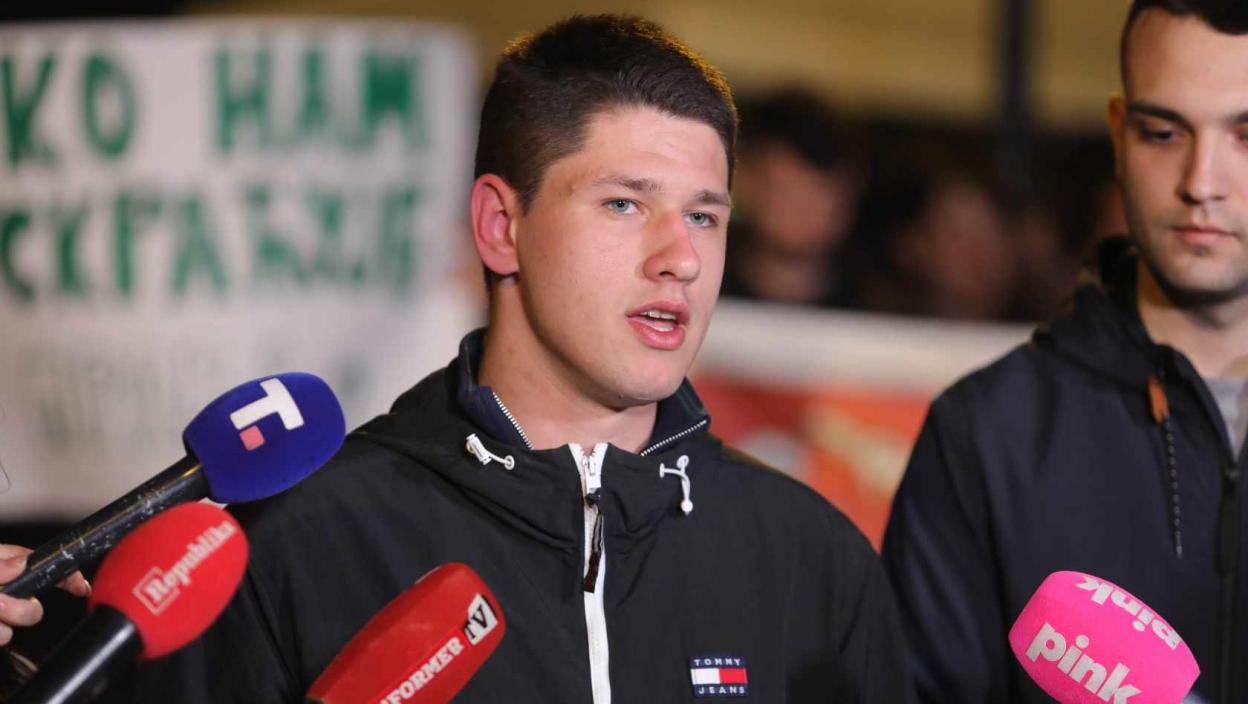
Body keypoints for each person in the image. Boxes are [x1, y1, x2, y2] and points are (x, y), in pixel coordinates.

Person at [115, 15, 910, 703]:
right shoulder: (308, 538)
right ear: (501, 227)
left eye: (704, 216)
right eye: (625, 204)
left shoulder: (812, 559)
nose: (681, 258)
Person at [882, 2, 1248, 703]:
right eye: (1163, 132)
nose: (1202, 182)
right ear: (1118, 133)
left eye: (1246, 135)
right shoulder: (987, 432)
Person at [720, 89, 865, 308]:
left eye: (821, 191)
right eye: (786, 190)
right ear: (745, 182)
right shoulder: (697, 284)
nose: (803, 209)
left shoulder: (884, 306)